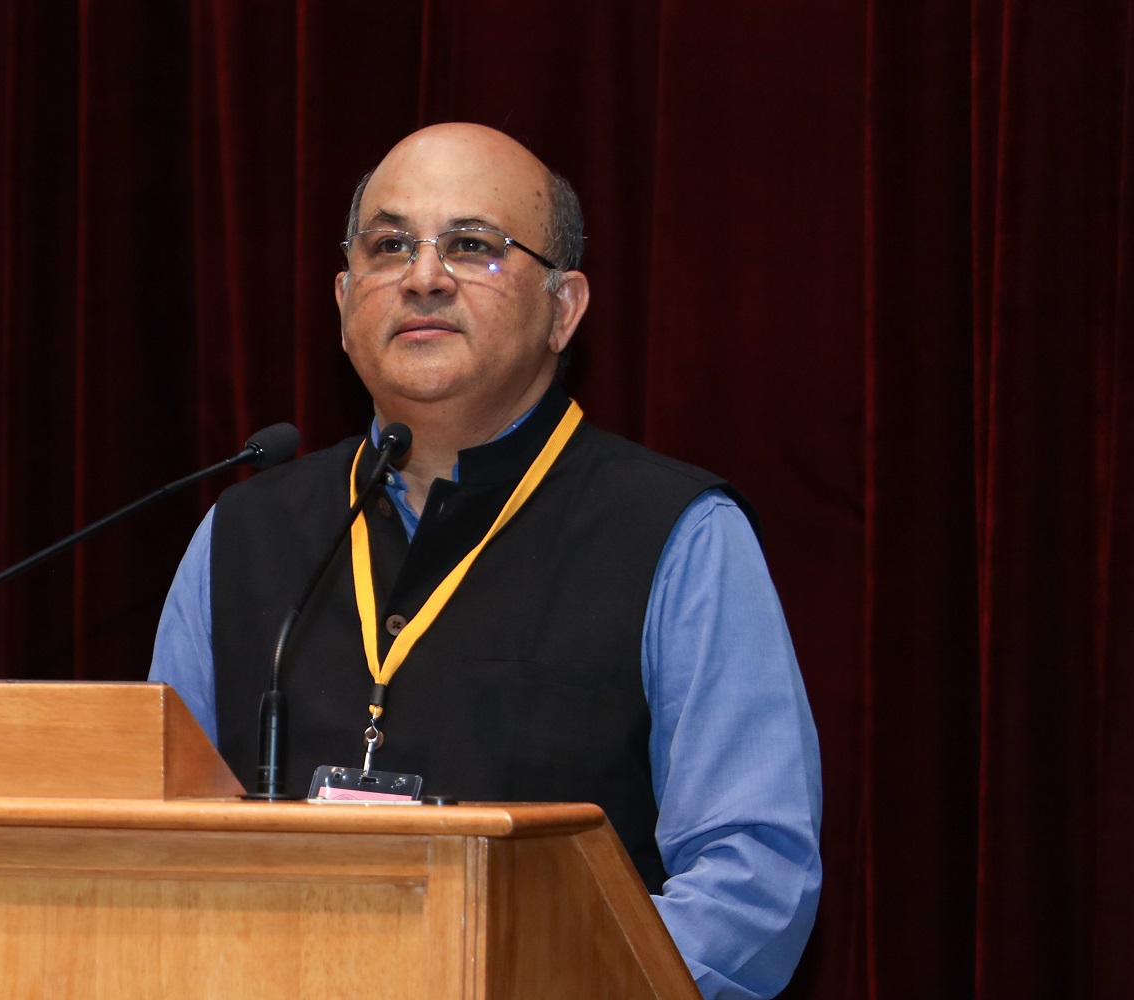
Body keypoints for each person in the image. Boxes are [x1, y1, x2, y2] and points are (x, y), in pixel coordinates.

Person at [150, 122, 821, 1000]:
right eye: (391, 246)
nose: (424, 276)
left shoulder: (678, 534)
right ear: (346, 299)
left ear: (565, 308)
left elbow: (751, 882)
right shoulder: (240, 533)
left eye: (472, 246)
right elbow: (157, 841)